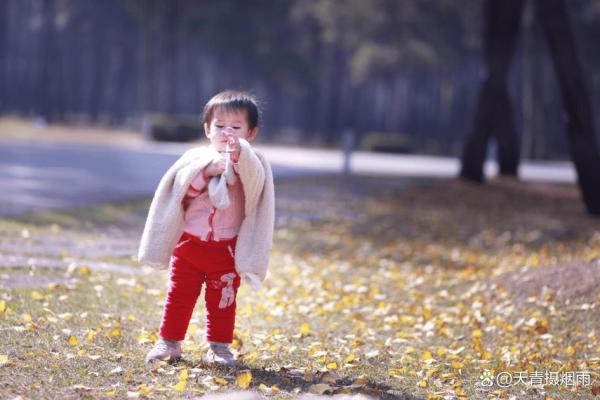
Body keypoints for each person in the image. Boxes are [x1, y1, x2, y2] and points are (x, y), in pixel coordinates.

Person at [138, 90, 275, 366]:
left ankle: (219, 348)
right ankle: (169, 342)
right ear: (206, 129)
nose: (227, 133)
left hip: (226, 249)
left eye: (236, 127)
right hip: (189, 245)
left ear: (251, 132)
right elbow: (180, 195)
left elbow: (255, 187)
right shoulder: (196, 160)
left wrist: (238, 160)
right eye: (220, 126)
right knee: (178, 296)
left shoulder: (253, 164)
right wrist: (206, 173)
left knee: (222, 300)